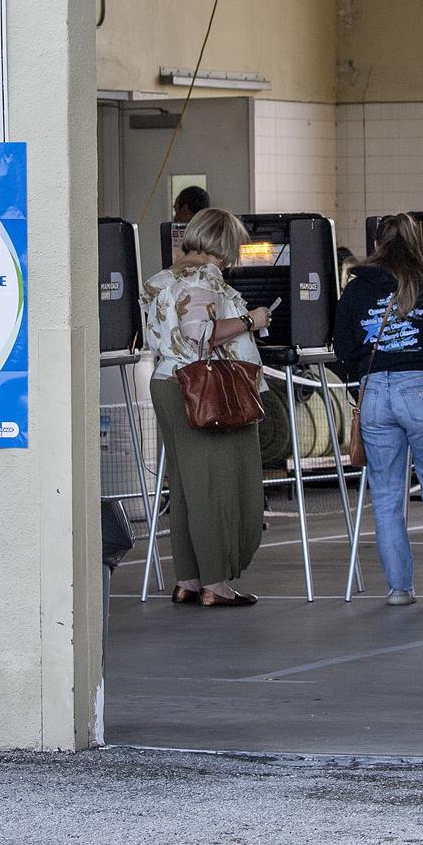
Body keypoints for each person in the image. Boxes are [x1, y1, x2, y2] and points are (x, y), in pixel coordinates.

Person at [333, 213, 423, 606]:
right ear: (419, 241)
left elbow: (343, 349)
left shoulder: (356, 287)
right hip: (422, 389)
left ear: (377, 242)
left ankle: (399, 588)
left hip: (375, 391)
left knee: (385, 494)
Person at [140, 207, 271, 608]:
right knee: (213, 486)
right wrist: (252, 320)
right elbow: (199, 333)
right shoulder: (203, 278)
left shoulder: (166, 278)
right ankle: (216, 584)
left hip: (167, 383)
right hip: (201, 388)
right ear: (225, 244)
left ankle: (188, 579)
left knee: (185, 487)